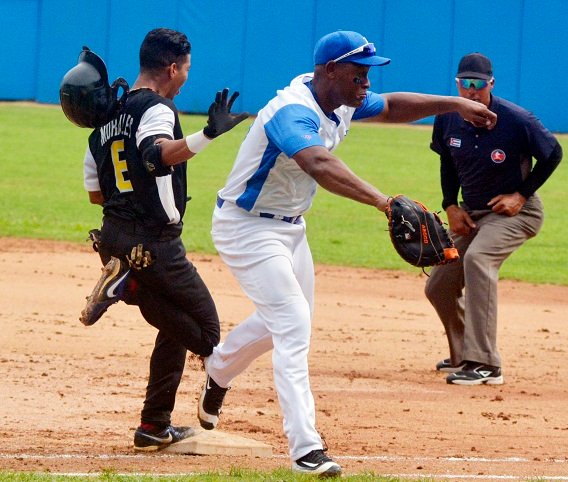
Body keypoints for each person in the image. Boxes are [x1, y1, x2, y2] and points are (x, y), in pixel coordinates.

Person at [195, 31, 497, 476]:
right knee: (293, 325)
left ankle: (218, 367)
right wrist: (385, 202)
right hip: (247, 228)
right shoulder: (290, 111)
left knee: (285, 320)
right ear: (329, 70)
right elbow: (318, 163)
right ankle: (305, 449)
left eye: (369, 72)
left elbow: (393, 106)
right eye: (359, 72)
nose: (366, 82)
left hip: (291, 229)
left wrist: (455, 104)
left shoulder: (340, 99)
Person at [76, 28, 247, 450]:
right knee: (208, 335)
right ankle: (127, 285)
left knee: (172, 326)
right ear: (172, 67)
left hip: (114, 239)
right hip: (154, 244)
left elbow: (97, 192)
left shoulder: (102, 125)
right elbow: (155, 156)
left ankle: (153, 425)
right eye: (186, 68)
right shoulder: (157, 108)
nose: (186, 76)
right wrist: (207, 135)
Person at [425, 53, 562, 386]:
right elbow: (447, 162)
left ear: (491, 84)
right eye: (465, 83)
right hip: (472, 215)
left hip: (516, 214)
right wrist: (450, 205)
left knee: (479, 258)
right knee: (439, 284)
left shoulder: (517, 119)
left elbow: (553, 153)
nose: (471, 90)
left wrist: (521, 195)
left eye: (478, 83)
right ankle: (462, 353)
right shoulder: (448, 117)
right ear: (456, 84)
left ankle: (485, 363)